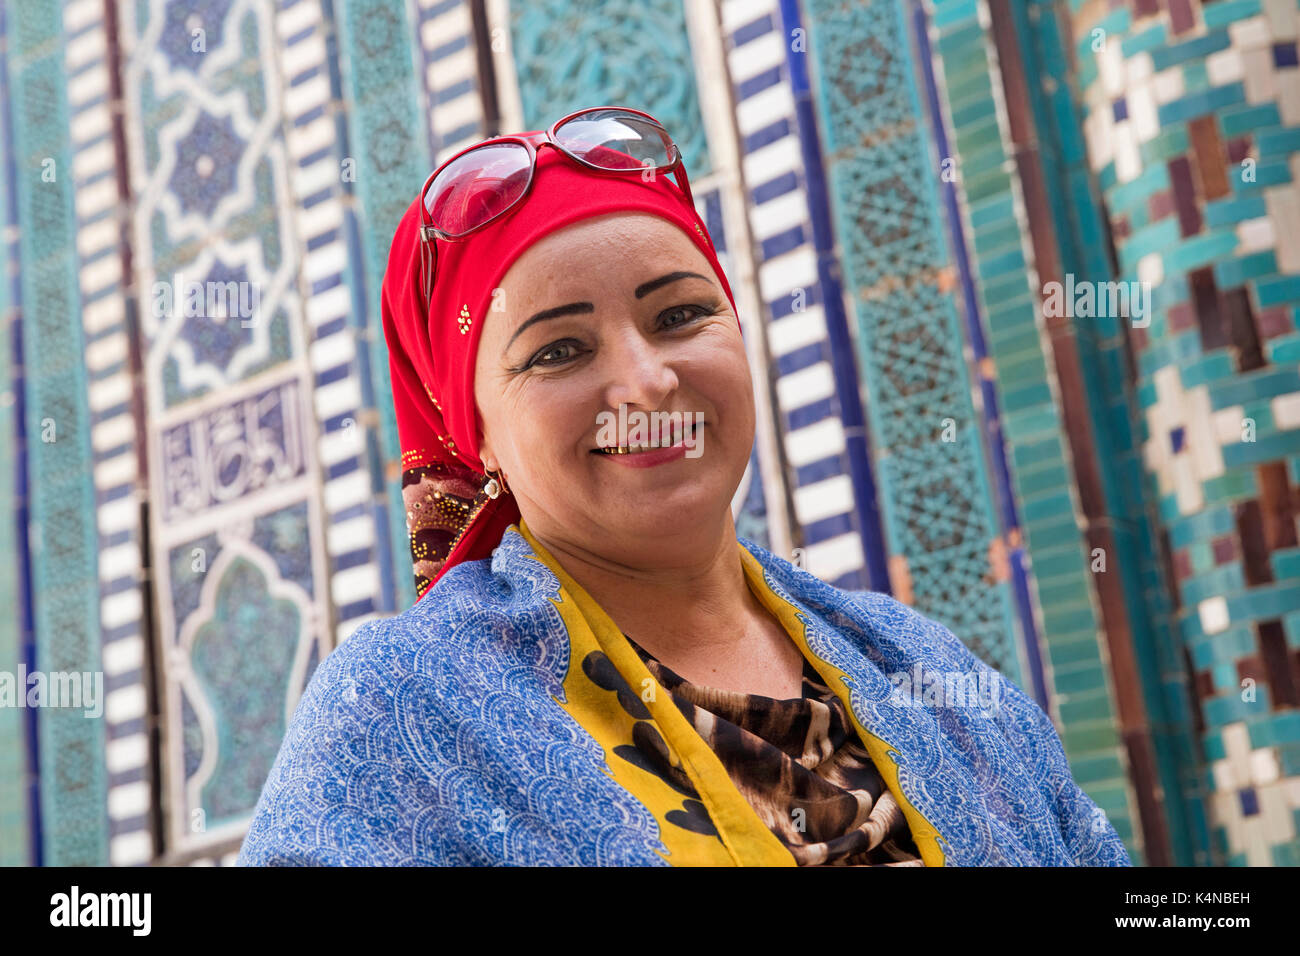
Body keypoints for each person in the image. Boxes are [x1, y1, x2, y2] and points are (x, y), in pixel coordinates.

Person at [238, 106, 1131, 866]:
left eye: (679, 315)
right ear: (476, 439)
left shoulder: (917, 665)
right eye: (558, 350)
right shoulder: (404, 713)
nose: (647, 381)